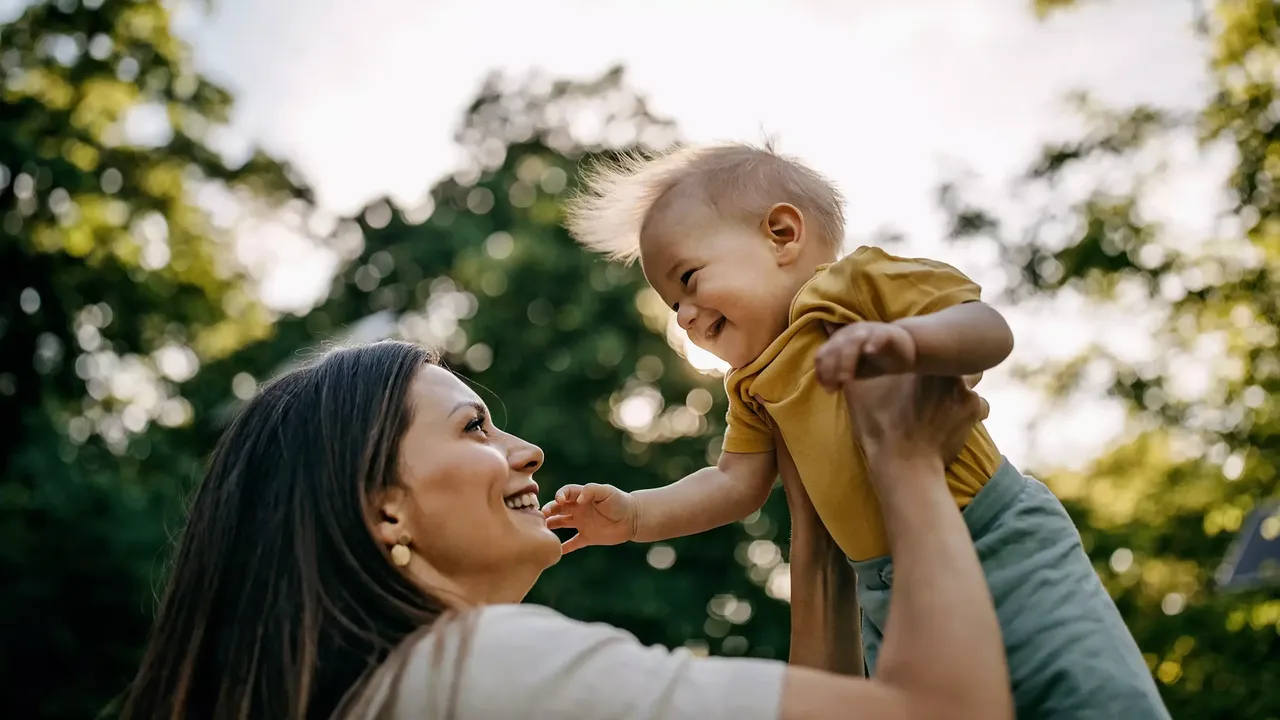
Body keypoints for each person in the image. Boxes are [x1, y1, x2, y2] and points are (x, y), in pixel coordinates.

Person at [556, 141, 1171, 718]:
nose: (686, 315)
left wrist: (908, 341)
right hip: (882, 589)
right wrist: (637, 515)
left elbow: (987, 329)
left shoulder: (854, 289)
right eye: (673, 306)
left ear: (781, 234)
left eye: (688, 280)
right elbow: (734, 483)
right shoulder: (751, 384)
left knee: (1082, 688)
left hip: (993, 535)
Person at [119, 339, 1012, 719]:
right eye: (474, 428)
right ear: (383, 506)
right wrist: (902, 460)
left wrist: (818, 511)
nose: (529, 449)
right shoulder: (478, 668)